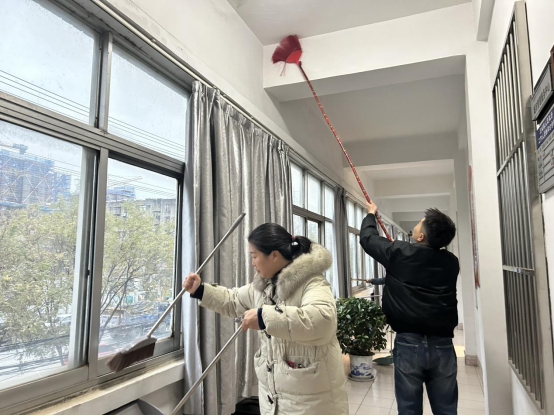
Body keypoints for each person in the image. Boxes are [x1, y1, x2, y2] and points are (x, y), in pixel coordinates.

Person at [183, 223, 348, 416]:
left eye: (255, 256)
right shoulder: (264, 286)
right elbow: (232, 300)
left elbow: (323, 321)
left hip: (312, 401)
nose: (253, 263)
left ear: (274, 255)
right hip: (273, 397)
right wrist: (200, 290)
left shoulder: (313, 282)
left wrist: (264, 317)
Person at [360, 202, 460, 416]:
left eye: (419, 224)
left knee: (409, 409)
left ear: (421, 236)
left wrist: (370, 215)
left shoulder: (400, 252)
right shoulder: (452, 262)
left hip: (408, 343)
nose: (416, 226)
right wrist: (398, 251)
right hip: (443, 344)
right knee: (446, 409)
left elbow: (368, 239)